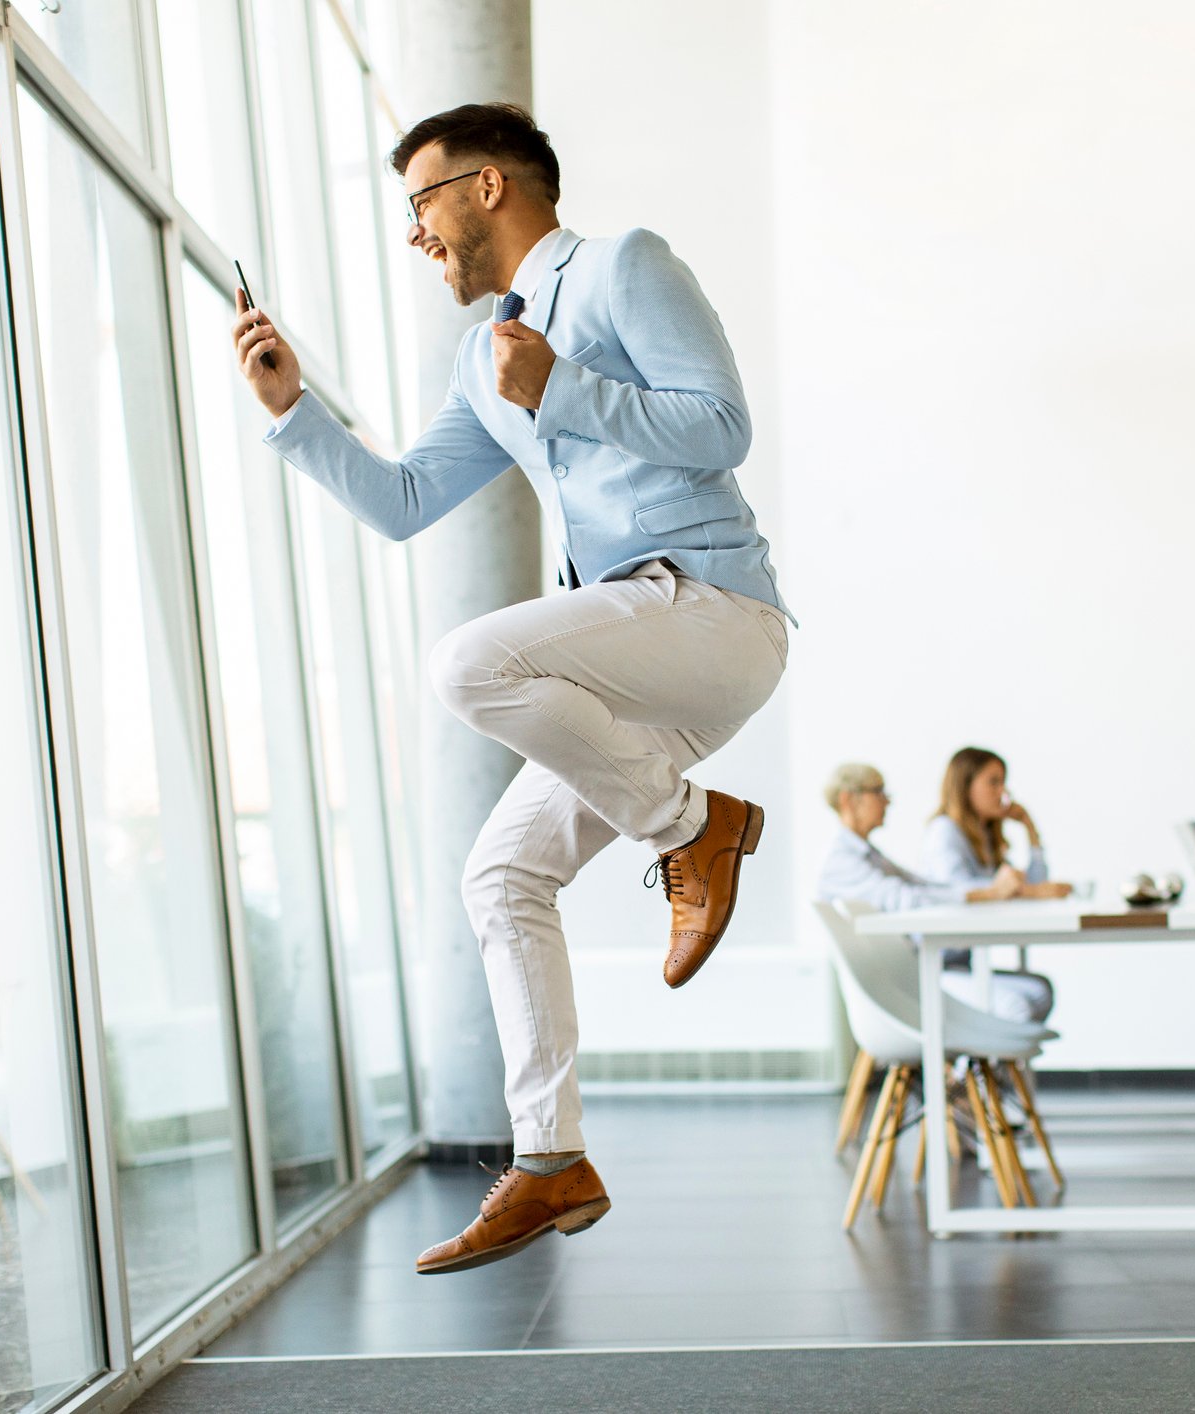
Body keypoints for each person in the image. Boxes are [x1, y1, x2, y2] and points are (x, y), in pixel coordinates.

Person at [232, 103, 792, 1274]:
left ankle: (698, 828)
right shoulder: (477, 356)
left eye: (422, 204)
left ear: (490, 186)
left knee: (469, 662)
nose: (415, 235)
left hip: (710, 612)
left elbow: (723, 428)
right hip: (629, 671)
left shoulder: (622, 268)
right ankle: (552, 1159)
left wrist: (565, 390)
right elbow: (400, 503)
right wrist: (292, 409)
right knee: (502, 876)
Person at [816, 763, 1054, 1019]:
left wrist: (995, 890)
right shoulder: (843, 863)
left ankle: (991, 1059)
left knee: (1039, 991)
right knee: (1019, 1003)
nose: (888, 801)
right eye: (879, 791)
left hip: (928, 967)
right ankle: (990, 1058)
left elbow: (924, 885)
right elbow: (908, 899)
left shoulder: (870, 856)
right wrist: (989, 894)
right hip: (911, 980)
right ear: (848, 800)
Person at [915, 747, 1070, 1022]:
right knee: (1018, 1004)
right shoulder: (944, 832)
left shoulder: (982, 838)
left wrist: (1030, 830)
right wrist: (1029, 891)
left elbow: (1035, 886)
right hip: (936, 966)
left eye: (1003, 782)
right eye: (993, 781)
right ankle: (990, 1065)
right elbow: (962, 895)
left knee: (1041, 990)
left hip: (965, 965)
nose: (1003, 792)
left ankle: (993, 1066)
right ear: (965, 786)